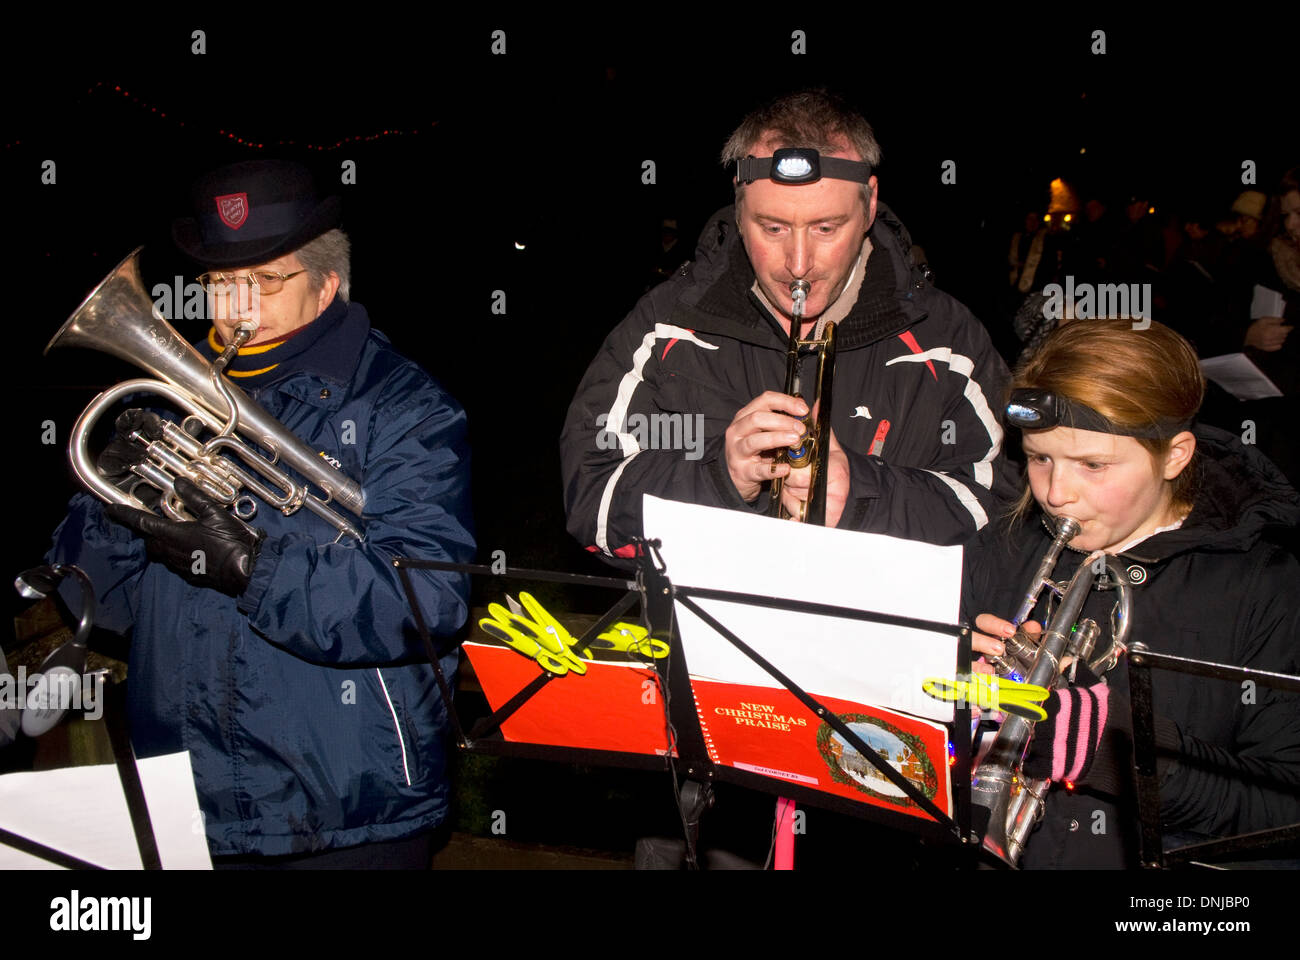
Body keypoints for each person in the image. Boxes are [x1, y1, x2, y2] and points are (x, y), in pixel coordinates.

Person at [46, 159, 475, 867]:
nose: (235, 306)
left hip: (349, 809)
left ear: (328, 284)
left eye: (266, 280)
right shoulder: (163, 408)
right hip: (184, 802)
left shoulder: (405, 408)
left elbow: (428, 599)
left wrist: (254, 569)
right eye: (219, 283)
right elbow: (101, 606)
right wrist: (110, 511)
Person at [561, 90, 1017, 561]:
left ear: (870, 204)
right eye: (772, 227)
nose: (798, 265)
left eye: (826, 228)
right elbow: (590, 500)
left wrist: (863, 496)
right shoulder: (667, 325)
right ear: (739, 211)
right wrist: (720, 479)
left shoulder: (946, 339)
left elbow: (1007, 518)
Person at [963, 319, 1299, 868]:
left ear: (1175, 455)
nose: (1055, 494)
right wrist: (954, 686)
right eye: (1039, 457)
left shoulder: (1266, 587)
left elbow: (1283, 813)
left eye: (1093, 465)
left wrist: (1125, 751)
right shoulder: (1002, 545)